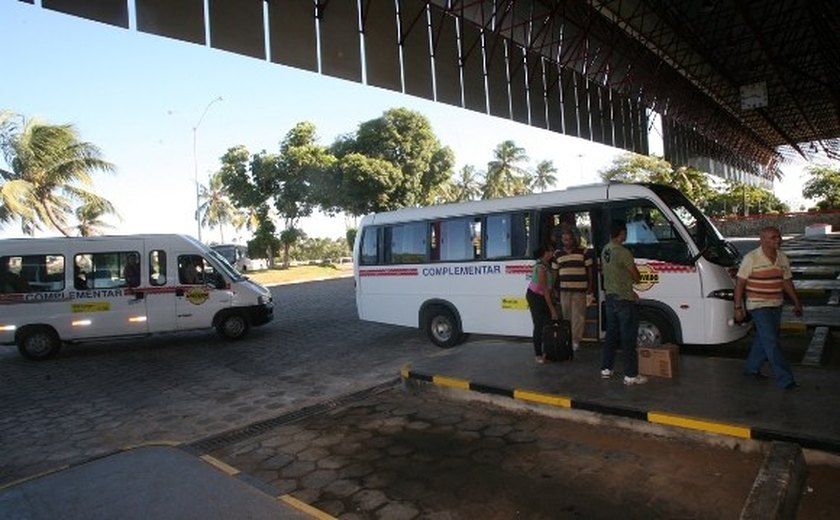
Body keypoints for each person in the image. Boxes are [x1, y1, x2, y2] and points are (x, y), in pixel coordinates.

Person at [734, 226, 802, 390]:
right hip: (758, 305)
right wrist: (737, 306)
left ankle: (751, 369)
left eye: (778, 237)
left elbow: (786, 281)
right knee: (771, 341)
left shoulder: (782, 258)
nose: (777, 240)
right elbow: (740, 283)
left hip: (776, 304)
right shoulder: (751, 258)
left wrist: (796, 302)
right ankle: (786, 380)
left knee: (764, 340)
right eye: (773, 237)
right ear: (762, 240)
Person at [600, 220, 647, 385]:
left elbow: (611, 275)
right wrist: (633, 284)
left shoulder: (605, 249)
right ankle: (631, 375)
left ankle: (606, 369)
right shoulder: (623, 252)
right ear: (621, 233)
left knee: (611, 336)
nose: (626, 235)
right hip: (623, 301)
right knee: (628, 338)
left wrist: (628, 289)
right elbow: (636, 276)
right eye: (625, 232)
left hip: (610, 298)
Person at [552, 229, 595, 351]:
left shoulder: (583, 251)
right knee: (566, 316)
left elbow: (589, 270)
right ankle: (567, 338)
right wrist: (553, 289)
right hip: (564, 290)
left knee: (578, 316)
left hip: (580, 290)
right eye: (565, 239)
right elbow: (555, 273)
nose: (568, 241)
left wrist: (590, 286)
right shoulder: (557, 254)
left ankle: (575, 341)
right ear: (562, 240)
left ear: (574, 239)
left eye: (570, 239)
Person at [526, 245, 559, 363]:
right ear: (546, 252)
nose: (553, 253)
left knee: (546, 324)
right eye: (551, 251)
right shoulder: (540, 267)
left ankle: (547, 352)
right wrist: (552, 309)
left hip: (543, 296)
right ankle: (538, 354)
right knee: (539, 325)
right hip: (536, 297)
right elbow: (544, 290)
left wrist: (553, 292)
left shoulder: (546, 265)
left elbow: (549, 285)